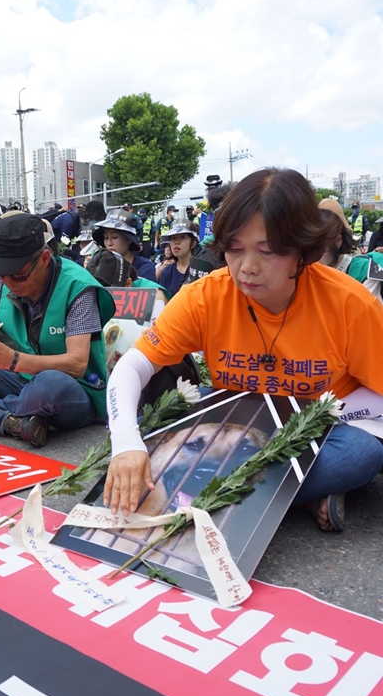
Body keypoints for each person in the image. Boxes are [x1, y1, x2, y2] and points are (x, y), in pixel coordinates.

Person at [103, 167, 383, 533]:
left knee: (360, 454)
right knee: (163, 412)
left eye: (267, 252)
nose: (247, 269)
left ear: (303, 251)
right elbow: (132, 367)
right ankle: (294, 496)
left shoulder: (349, 303)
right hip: (231, 422)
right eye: (235, 250)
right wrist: (125, 443)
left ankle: (195, 493)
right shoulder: (204, 296)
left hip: (323, 426)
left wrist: (321, 415)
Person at [0, 213, 116, 447]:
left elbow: (76, 364)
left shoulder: (78, 287)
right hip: (19, 380)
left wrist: (13, 360)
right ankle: (9, 421)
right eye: (1, 274)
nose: (9, 283)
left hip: (72, 389)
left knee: (49, 385)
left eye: (17, 275)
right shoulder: (3, 280)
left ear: (45, 258)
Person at [319, 199, 382, 302]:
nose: (313, 255)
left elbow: (368, 314)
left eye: (321, 246)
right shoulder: (305, 271)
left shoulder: (364, 270)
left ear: (338, 241)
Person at [91, 216, 157, 282]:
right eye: (106, 237)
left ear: (129, 239)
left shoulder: (145, 267)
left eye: (114, 237)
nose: (109, 243)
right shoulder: (102, 266)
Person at [159, 221, 207, 298]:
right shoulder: (167, 272)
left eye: (183, 237)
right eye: (173, 238)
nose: (176, 242)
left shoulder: (202, 271)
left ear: (193, 244)